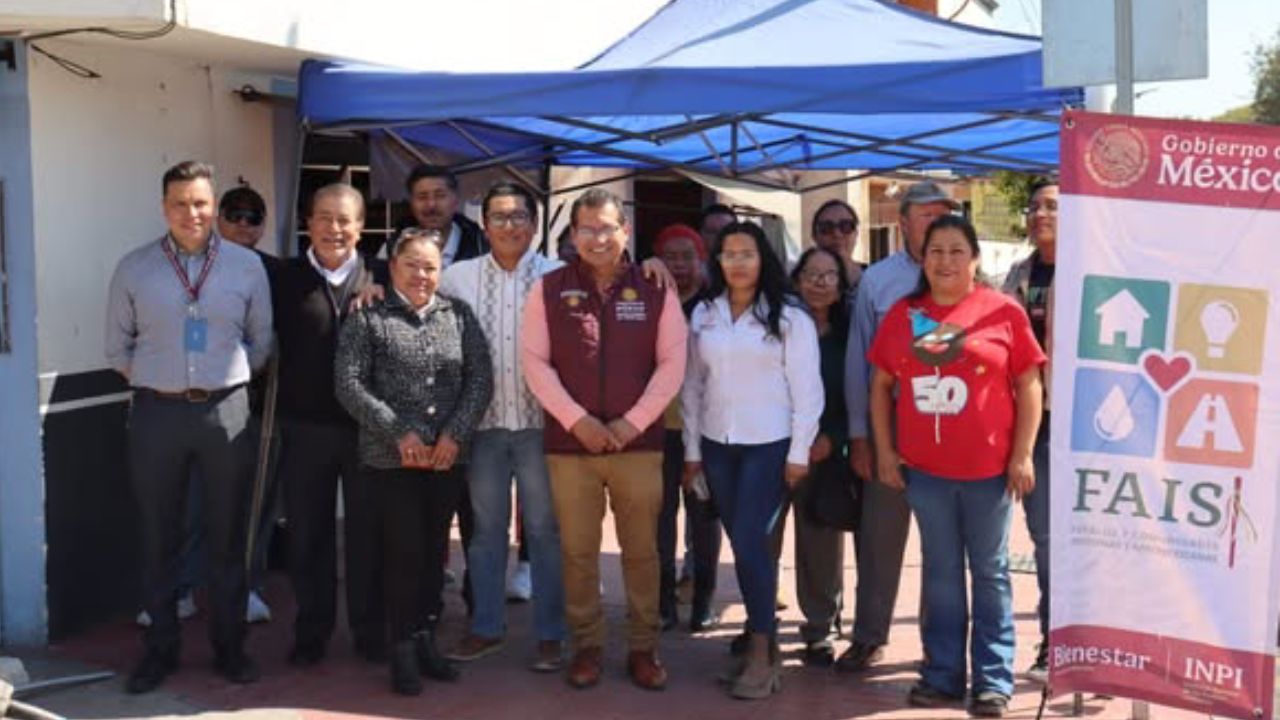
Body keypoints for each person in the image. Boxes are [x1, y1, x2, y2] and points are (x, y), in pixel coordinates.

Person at [867, 215, 1043, 718]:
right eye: (935, 251)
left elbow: (1029, 384)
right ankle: (941, 674)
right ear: (922, 260)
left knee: (990, 573)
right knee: (941, 575)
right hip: (926, 472)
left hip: (990, 473)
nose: (945, 260)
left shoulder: (1003, 312)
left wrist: (1022, 453)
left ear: (974, 259)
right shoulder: (903, 314)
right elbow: (879, 385)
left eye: (955, 250)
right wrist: (884, 450)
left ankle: (992, 680)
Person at [106, 160, 272, 693]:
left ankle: (230, 647)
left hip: (226, 411)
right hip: (158, 412)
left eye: (200, 202)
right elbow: (118, 347)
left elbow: (261, 340)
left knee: (227, 536)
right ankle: (160, 650)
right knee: (159, 535)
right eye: (180, 203)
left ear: (213, 206)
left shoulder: (246, 267)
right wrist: (162, 380)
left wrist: (224, 376)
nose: (191, 213)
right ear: (164, 208)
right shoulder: (134, 268)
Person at [521, 188, 688, 691]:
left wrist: (630, 423)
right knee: (577, 552)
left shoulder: (656, 288)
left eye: (607, 227)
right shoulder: (548, 290)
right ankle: (587, 645)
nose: (597, 237)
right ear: (573, 235)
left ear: (625, 232)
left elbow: (672, 364)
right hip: (571, 447)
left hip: (639, 446)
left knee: (642, 552)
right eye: (587, 228)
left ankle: (644, 647)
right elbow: (535, 363)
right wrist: (578, 421)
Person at [335, 228, 493, 696]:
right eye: (412, 265)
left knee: (431, 556)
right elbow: (349, 384)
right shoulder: (368, 317)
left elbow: (479, 380)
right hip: (389, 459)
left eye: (430, 266)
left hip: (445, 459)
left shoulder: (458, 315)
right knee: (401, 554)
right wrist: (397, 432)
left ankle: (426, 638)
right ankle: (400, 646)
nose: (422, 275)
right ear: (393, 267)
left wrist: (454, 434)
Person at [682, 221, 823, 699]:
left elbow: (808, 391)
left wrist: (799, 453)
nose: (738, 262)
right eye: (729, 253)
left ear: (763, 259)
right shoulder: (704, 313)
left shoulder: (789, 317)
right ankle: (759, 639)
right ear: (717, 261)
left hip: (771, 445)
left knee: (748, 540)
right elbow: (692, 386)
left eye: (747, 253)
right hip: (718, 444)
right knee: (742, 545)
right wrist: (692, 452)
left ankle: (762, 648)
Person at [438, 182, 567, 672]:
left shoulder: (559, 276)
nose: (509, 225)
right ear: (484, 224)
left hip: (541, 426)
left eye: (518, 216)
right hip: (484, 427)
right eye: (499, 216)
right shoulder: (457, 278)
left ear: (534, 225)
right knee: (485, 533)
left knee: (544, 531)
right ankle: (485, 627)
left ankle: (551, 634)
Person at [839, 180, 957, 672]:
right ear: (902, 221)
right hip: (889, 431)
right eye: (925, 215)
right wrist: (860, 435)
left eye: (941, 214)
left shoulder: (968, 277)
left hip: (948, 434)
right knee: (880, 540)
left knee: (942, 549)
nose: (933, 223)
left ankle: (939, 646)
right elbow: (857, 362)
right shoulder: (878, 280)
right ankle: (869, 636)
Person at [276, 184, 386, 667]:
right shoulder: (283, 278)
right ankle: (311, 631)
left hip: (367, 431)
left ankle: (368, 630)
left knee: (367, 535)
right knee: (308, 535)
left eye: (344, 220)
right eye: (324, 217)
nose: (333, 228)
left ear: (360, 227)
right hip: (305, 430)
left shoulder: (383, 277)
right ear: (308, 222)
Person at [785, 245, 857, 666]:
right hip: (777, 447)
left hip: (827, 451)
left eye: (829, 275)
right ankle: (758, 624)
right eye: (810, 274)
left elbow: (860, 396)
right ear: (796, 282)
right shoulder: (780, 328)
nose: (819, 283)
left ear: (841, 286)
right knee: (766, 539)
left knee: (820, 540)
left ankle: (820, 626)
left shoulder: (849, 337)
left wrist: (833, 438)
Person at [651, 223, 722, 633]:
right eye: (670, 256)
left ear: (702, 261)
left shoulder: (715, 306)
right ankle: (662, 601)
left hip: (706, 430)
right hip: (660, 428)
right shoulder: (649, 299)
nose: (679, 265)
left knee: (704, 518)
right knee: (660, 517)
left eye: (687, 256)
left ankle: (704, 600)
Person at [1001, 179, 1058, 682]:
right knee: (1045, 536)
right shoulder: (1016, 275)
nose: (1041, 212)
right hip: (1030, 423)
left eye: (1053, 205)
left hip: (1087, 420)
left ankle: (1098, 643)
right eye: (1035, 205)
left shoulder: (1093, 265)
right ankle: (1055, 644)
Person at [811, 198, 864, 290]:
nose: (837, 234)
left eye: (845, 226)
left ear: (856, 234)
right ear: (814, 236)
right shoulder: (802, 286)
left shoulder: (877, 280)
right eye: (826, 227)